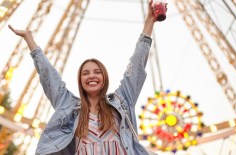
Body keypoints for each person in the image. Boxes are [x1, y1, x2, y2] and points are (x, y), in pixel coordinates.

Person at [9, 0, 157, 154]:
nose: (91, 76)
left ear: (104, 77)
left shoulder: (122, 100)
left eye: (97, 72)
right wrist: (29, 40)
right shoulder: (68, 107)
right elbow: (49, 76)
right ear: (80, 80)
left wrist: (149, 22)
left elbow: (136, 67)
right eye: (85, 73)